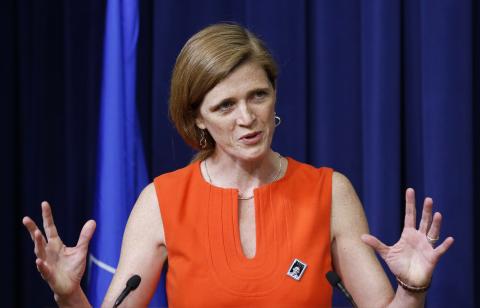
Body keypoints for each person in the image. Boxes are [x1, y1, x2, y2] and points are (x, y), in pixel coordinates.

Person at [23, 23, 454, 307]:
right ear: (198, 118)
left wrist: (412, 288)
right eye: (225, 105)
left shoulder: (329, 192)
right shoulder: (163, 201)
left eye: (258, 96)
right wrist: (70, 296)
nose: (247, 118)